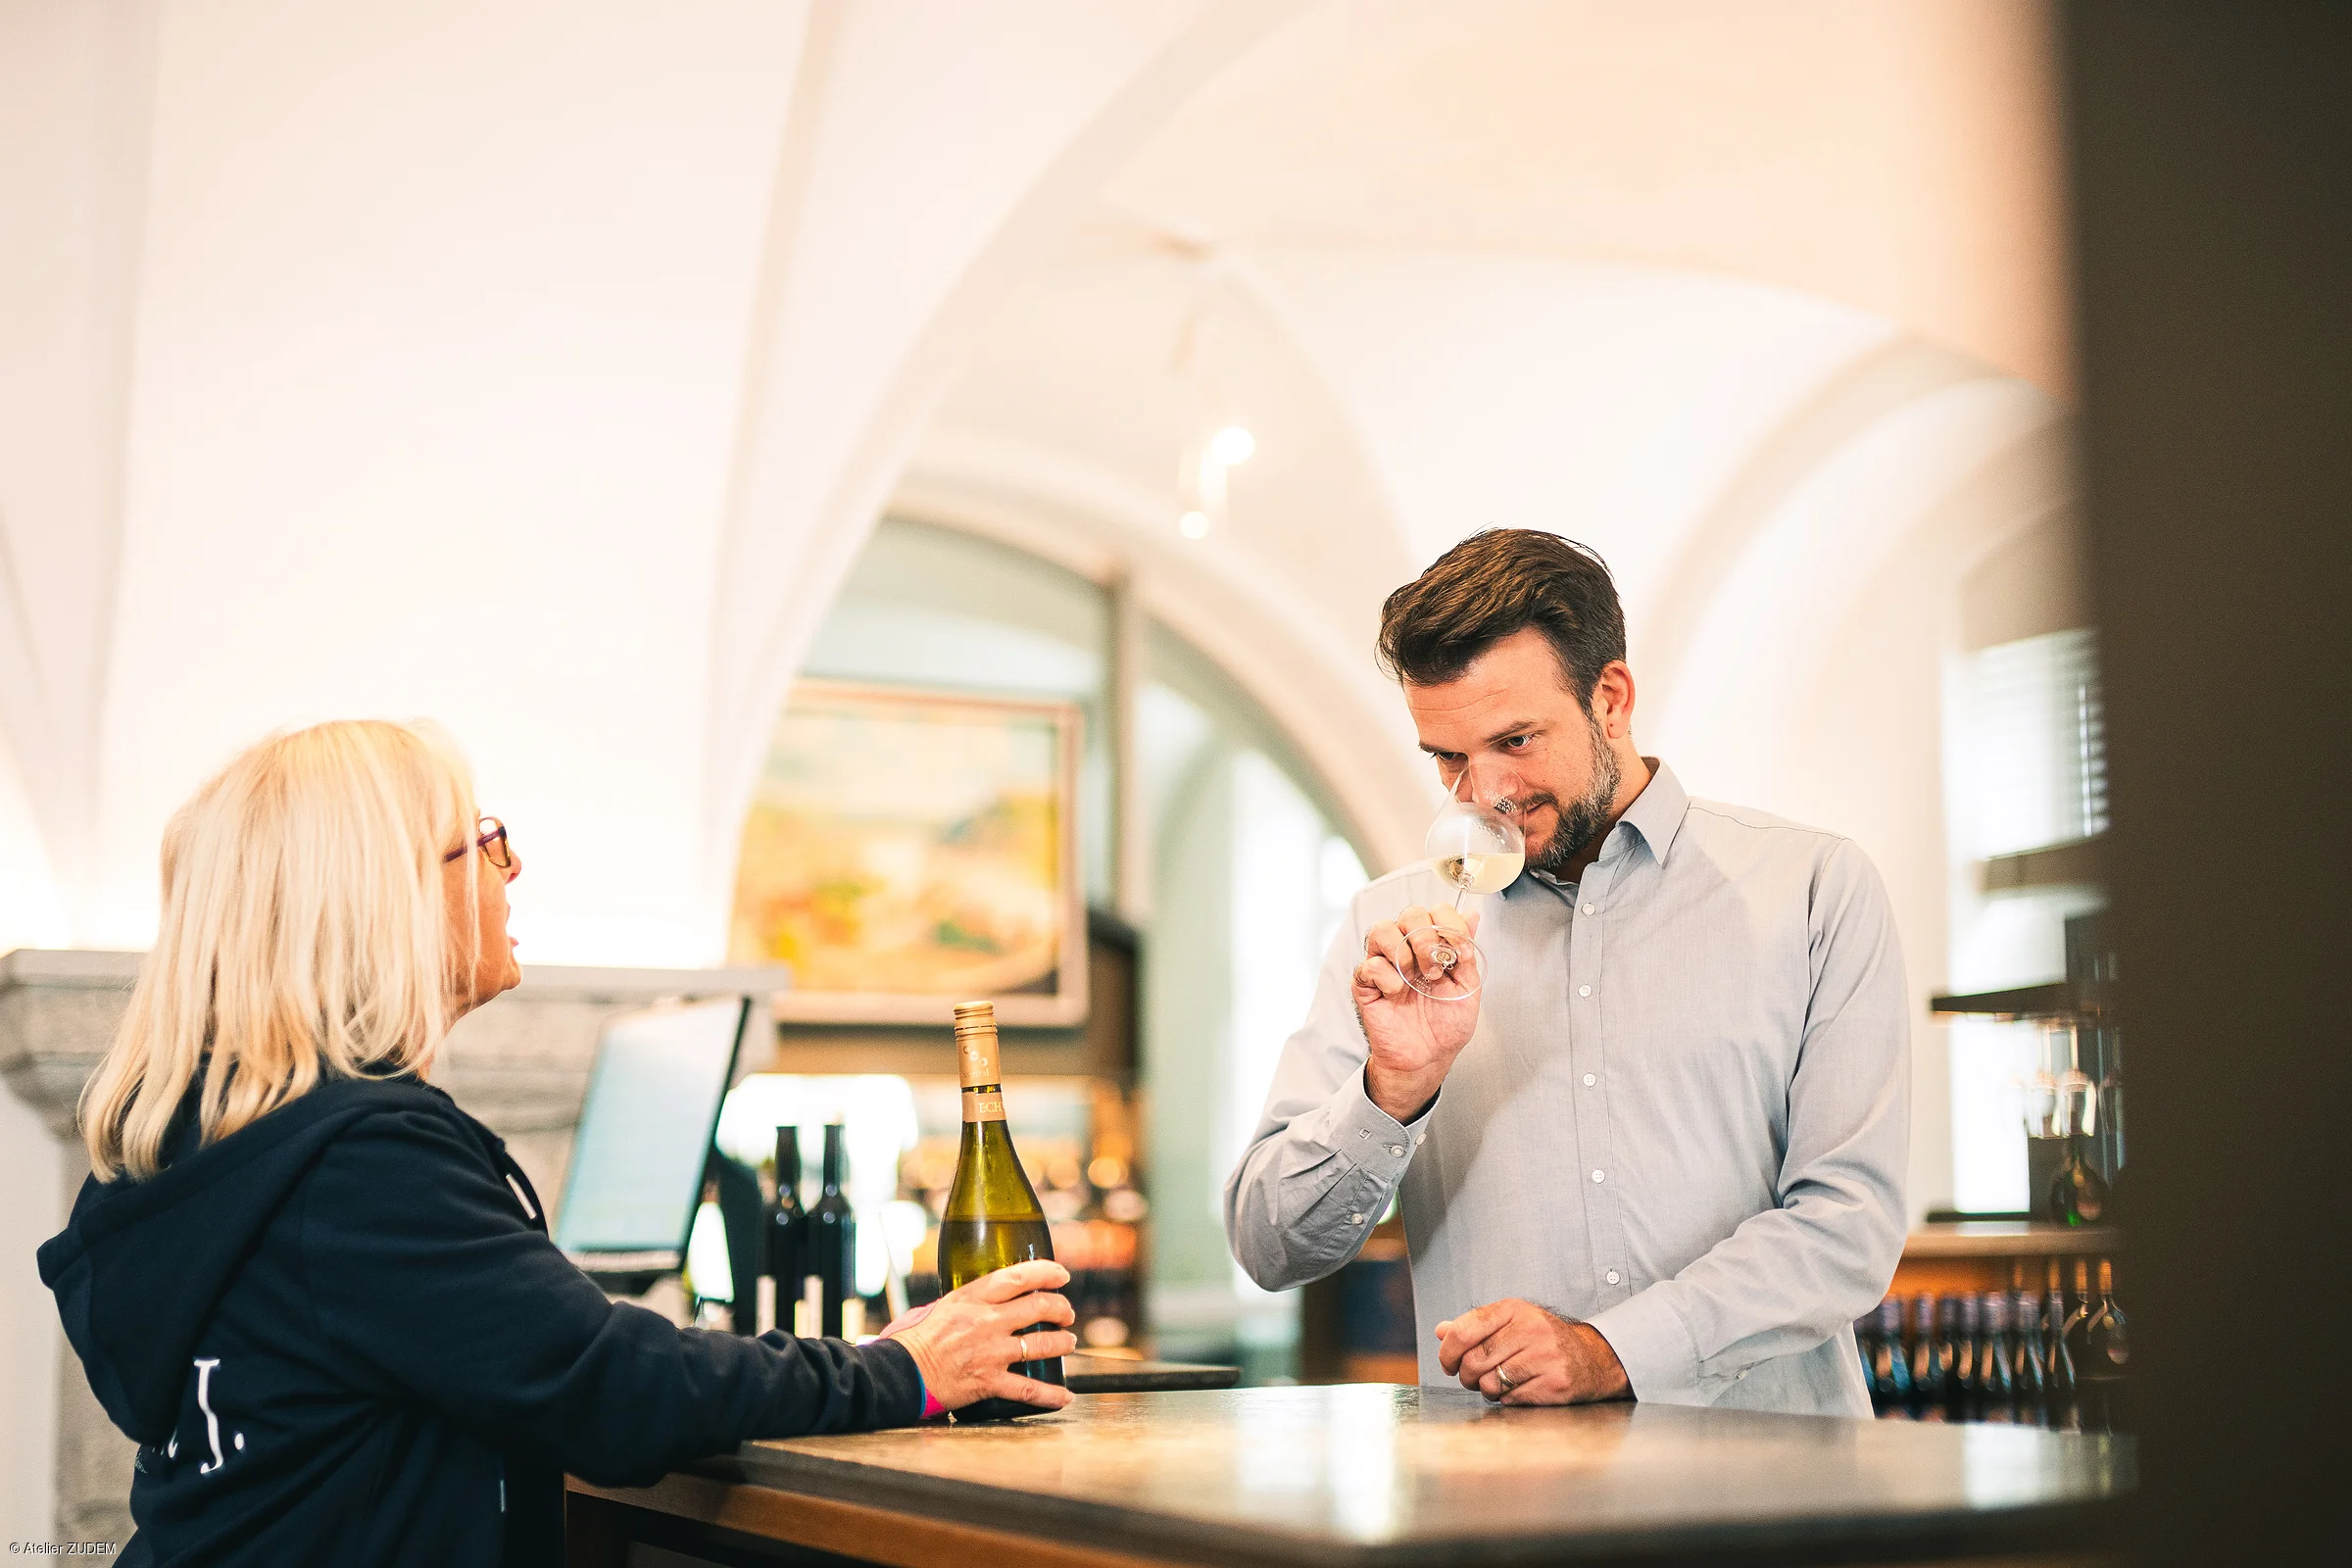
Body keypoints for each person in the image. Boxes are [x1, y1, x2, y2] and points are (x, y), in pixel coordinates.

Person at [38, 720, 1074, 1566]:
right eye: (480, 841)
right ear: (382, 899)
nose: (512, 864)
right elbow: (611, 1389)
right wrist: (905, 1366)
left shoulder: (221, 1149)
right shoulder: (358, 1163)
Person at [1224, 530, 1907, 1416]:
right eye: (1448, 757)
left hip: (1770, 1502)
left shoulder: (1815, 889)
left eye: (1515, 740)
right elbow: (1270, 1249)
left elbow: (1848, 1227)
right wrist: (1390, 1094)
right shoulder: (1387, 929)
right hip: (1502, 1514)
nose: (1484, 793)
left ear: (1611, 698)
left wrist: (1612, 1350)